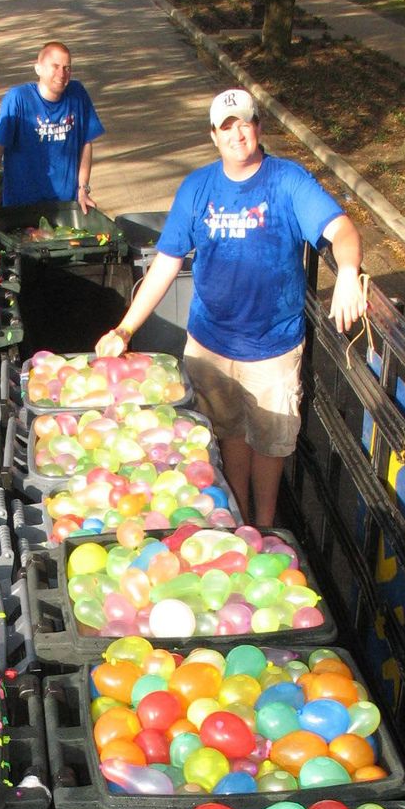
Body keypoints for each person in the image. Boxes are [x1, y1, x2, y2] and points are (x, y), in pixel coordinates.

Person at [96, 89, 366, 525]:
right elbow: (165, 264)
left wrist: (349, 273)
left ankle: (265, 524)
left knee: (270, 444)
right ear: (213, 136)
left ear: (258, 126)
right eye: (227, 127)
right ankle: (239, 519)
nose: (237, 134)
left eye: (244, 123)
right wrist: (124, 330)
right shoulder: (197, 187)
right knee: (227, 438)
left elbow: (342, 230)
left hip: (272, 347)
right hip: (211, 346)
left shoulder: (288, 181)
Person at [0, 41, 104, 214]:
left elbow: (86, 142)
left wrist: (83, 189)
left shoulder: (77, 93)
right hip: (22, 206)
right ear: (38, 69)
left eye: (67, 68)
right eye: (55, 66)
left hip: (66, 205)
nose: (62, 74)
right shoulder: (18, 98)